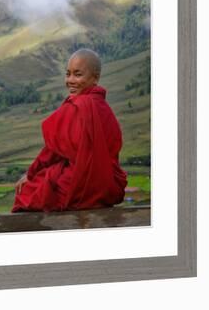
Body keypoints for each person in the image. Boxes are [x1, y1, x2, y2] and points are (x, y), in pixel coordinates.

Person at [11, 48, 128, 213]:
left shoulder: (76, 106)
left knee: (27, 193)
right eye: (68, 74)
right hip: (107, 189)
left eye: (78, 75)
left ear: (95, 78)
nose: (70, 80)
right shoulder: (105, 109)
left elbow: (51, 152)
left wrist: (30, 175)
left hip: (79, 188)